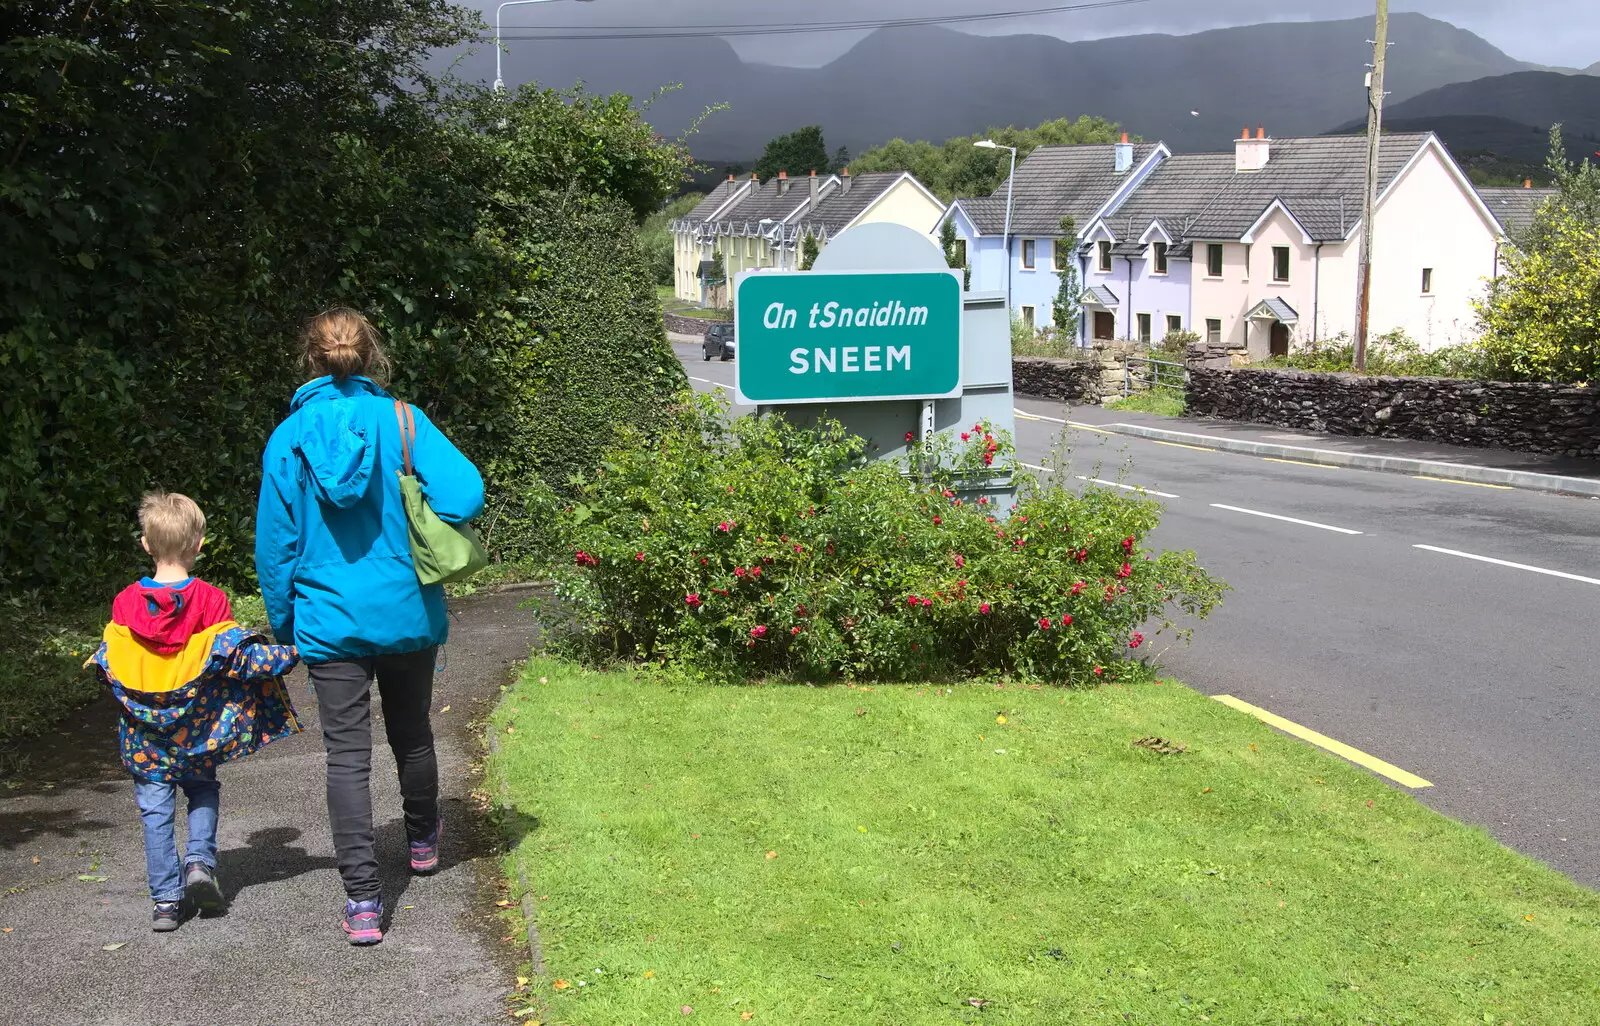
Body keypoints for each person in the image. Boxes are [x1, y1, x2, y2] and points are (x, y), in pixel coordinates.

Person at [255, 308, 484, 945]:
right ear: (369, 356)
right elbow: (465, 494)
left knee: (346, 757)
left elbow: (276, 548)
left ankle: (362, 900)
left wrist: (285, 625)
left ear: (312, 359)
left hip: (328, 618)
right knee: (411, 732)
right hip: (408, 608)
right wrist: (414, 497)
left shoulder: (289, 438)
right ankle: (422, 845)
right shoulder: (404, 421)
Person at [88, 492, 301, 931]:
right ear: (198, 545)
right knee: (202, 790)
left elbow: (115, 664)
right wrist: (296, 652)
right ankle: (199, 862)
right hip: (199, 732)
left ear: (146, 544)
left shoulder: (126, 603)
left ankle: (166, 902)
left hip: (144, 737)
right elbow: (234, 659)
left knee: (154, 809)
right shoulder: (211, 601)